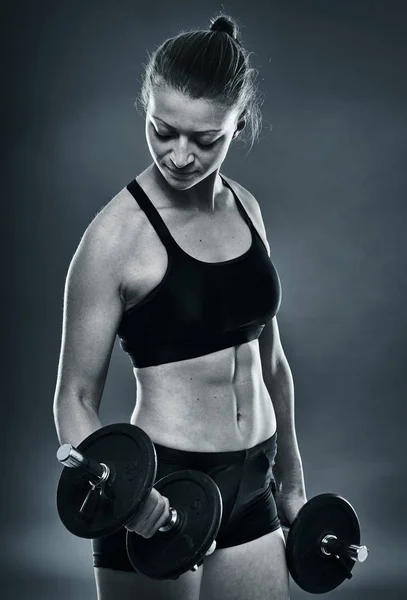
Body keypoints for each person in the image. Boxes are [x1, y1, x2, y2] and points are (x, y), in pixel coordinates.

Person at [53, 13, 307, 600]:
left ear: (237, 125)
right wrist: (128, 500)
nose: (181, 155)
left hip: (256, 482)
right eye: (163, 129)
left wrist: (291, 482)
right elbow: (74, 398)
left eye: (206, 138)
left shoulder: (247, 208)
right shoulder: (114, 238)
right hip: (163, 490)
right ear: (146, 105)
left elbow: (273, 365)